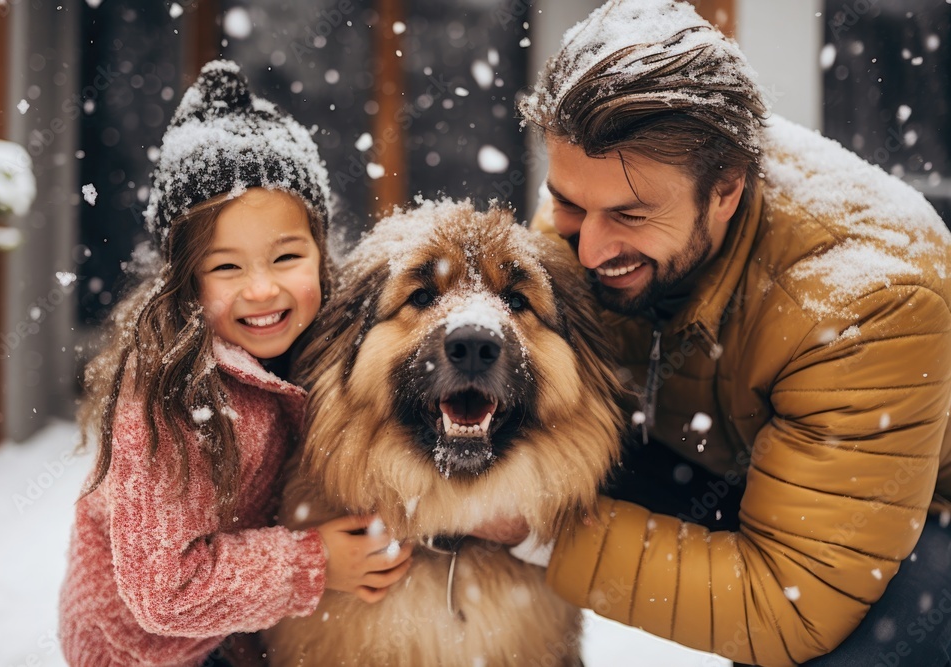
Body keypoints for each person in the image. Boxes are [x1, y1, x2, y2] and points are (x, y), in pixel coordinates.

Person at [485, 1, 951, 665]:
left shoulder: (866, 294)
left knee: (861, 635)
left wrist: (537, 531)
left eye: (629, 215)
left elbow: (788, 603)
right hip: (712, 450)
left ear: (727, 189)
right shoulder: (604, 199)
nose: (587, 250)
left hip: (901, 522)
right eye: (566, 202)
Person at [59, 60, 412, 667]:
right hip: (147, 655)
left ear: (321, 252)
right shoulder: (167, 400)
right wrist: (316, 562)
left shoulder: (311, 347)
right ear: (184, 282)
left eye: (286, 257)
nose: (262, 290)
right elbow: (164, 593)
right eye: (227, 267)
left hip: (237, 628)